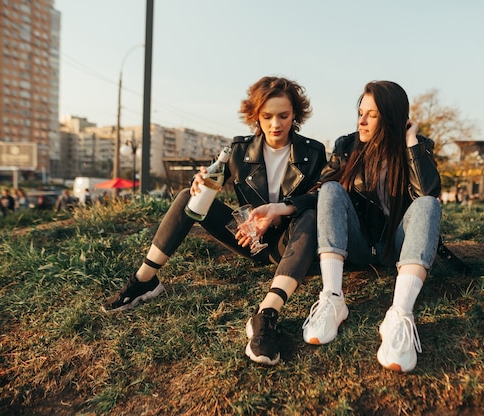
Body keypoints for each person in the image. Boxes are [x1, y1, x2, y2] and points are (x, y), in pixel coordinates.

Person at [103, 76, 327, 366]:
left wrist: (279, 210)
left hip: (290, 246)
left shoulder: (312, 153)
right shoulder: (239, 151)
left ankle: (267, 313)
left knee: (310, 213)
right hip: (248, 240)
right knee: (187, 196)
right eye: (267, 116)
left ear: (295, 114)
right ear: (256, 116)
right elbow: (212, 180)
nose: (275, 125)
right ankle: (144, 281)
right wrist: (201, 184)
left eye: (283, 115)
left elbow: (323, 195)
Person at [301, 81, 442, 373]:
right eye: (360, 112)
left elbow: (427, 192)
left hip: (397, 248)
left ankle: (400, 315)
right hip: (360, 246)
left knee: (428, 204)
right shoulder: (346, 146)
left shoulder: (418, 147)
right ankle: (332, 299)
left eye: (372, 115)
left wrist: (411, 143)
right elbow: (319, 192)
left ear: (390, 118)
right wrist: (284, 206)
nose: (361, 121)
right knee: (330, 190)